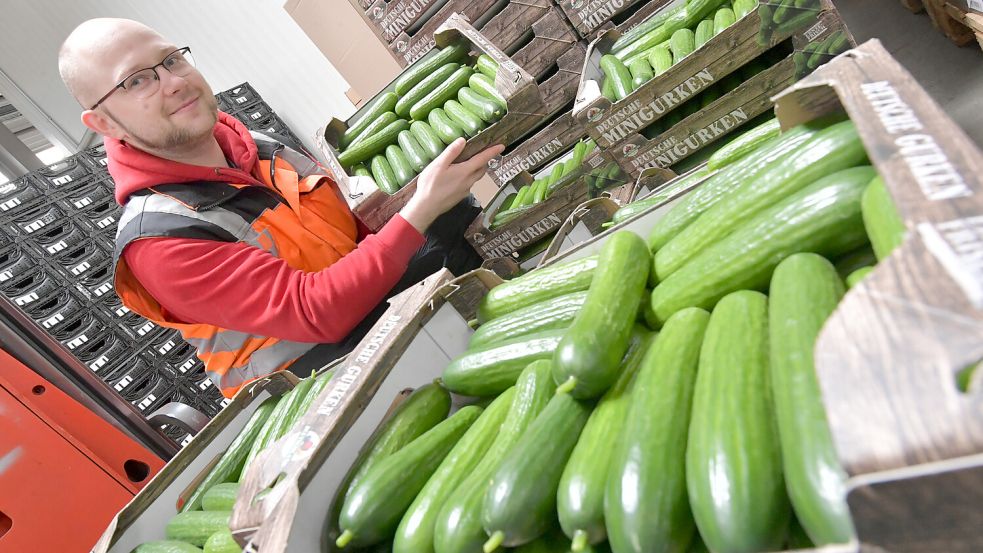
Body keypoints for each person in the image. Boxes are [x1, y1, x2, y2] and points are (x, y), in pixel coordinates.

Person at [58, 18, 503, 397]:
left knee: (454, 217)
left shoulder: (257, 146)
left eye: (171, 59)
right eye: (136, 81)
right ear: (103, 122)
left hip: (365, 308)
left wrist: (421, 203)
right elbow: (314, 313)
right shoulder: (159, 238)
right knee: (432, 222)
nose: (173, 82)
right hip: (313, 386)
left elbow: (354, 239)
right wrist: (417, 212)